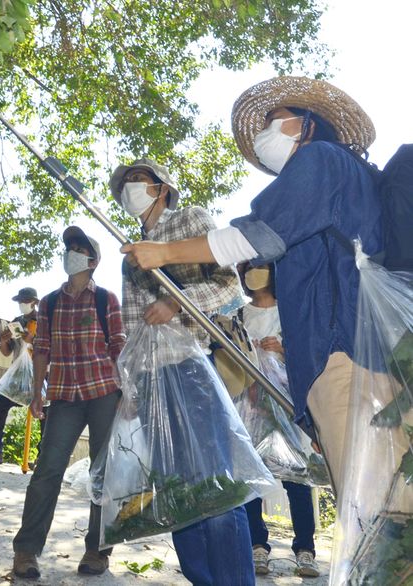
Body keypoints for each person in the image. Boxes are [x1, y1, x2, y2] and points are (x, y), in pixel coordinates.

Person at [120, 76, 382, 504]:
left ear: (306, 123)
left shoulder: (320, 159)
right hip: (352, 352)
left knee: (370, 506)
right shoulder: (345, 176)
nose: (264, 133)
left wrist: (165, 253)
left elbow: (256, 237)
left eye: (274, 121)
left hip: (344, 351)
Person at [110, 158, 253, 585]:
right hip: (152, 381)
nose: (129, 189)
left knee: (215, 484)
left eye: (138, 180)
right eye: (124, 185)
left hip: (192, 370)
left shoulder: (190, 220)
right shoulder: (129, 255)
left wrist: (177, 301)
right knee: (177, 491)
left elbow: (230, 287)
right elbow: (131, 327)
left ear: (162, 187)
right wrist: (130, 387)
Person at [11, 226, 126, 579]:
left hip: (104, 392)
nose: (70, 253)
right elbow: (41, 349)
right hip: (63, 395)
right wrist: (36, 393)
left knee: (103, 474)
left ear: (92, 261)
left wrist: (129, 397)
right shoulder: (49, 303)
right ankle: (26, 551)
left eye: (78, 248)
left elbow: (118, 349)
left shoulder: (106, 299)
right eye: (69, 248)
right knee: (47, 471)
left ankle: (97, 549)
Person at [233, 263, 319, 577]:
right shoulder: (240, 316)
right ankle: (257, 547)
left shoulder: (291, 312)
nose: (253, 273)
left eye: (260, 266)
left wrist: (283, 350)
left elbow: (310, 354)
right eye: (248, 268)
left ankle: (306, 550)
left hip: (288, 405)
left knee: (297, 477)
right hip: (251, 408)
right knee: (251, 478)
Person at [0, 287, 39, 465]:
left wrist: (32, 340)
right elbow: (6, 351)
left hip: (40, 375)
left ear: (34, 302)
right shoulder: (16, 322)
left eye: (25, 301)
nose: (22, 305)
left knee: (45, 414)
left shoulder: (44, 321)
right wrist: (4, 339)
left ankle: (43, 458)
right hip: (18, 375)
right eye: (20, 301)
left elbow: (51, 347)